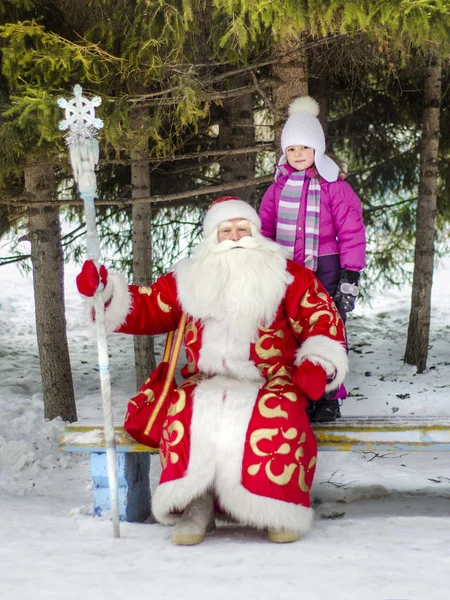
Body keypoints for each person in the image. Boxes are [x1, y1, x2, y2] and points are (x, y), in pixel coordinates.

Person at [76, 197, 348, 546]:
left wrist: (317, 360)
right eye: (226, 230)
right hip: (203, 379)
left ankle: (277, 509)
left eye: (242, 229)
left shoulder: (287, 275)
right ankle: (196, 505)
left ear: (255, 232)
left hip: (270, 380)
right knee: (185, 413)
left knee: (278, 416)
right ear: (212, 237)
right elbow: (148, 305)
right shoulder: (188, 277)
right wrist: (105, 293)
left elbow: (320, 317)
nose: (235, 237)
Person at [259, 96, 366, 422]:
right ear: (284, 152)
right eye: (292, 149)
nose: (298, 154)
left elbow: (352, 231)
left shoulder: (335, 186)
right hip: (288, 272)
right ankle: (300, 393)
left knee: (327, 328)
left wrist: (350, 275)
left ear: (317, 149)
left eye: (304, 148)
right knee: (292, 331)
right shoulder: (277, 188)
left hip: (327, 268)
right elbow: (264, 230)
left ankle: (329, 396)